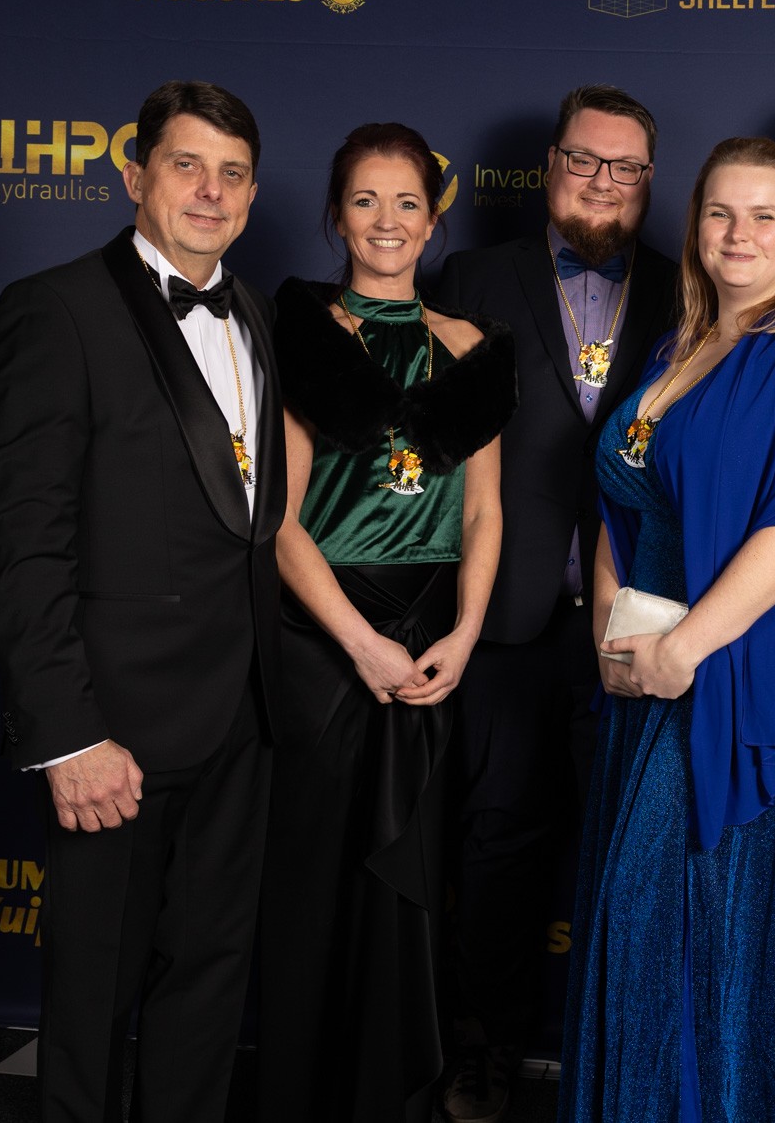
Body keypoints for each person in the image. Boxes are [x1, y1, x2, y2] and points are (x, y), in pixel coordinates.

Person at [0, 80, 281, 1122]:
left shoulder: (256, 312)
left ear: (253, 194)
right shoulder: (54, 310)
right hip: (115, 730)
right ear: (134, 176)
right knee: (93, 992)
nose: (210, 191)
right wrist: (67, 736)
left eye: (232, 173)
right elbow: (24, 544)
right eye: (187, 165)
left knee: (209, 982)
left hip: (244, 719)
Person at [559, 136, 775, 1122]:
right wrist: (614, 635)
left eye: (763, 216)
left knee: (692, 912)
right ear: (695, 228)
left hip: (743, 662)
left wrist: (683, 651)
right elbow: (621, 503)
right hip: (645, 662)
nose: (739, 233)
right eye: (719, 213)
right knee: (644, 921)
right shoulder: (675, 348)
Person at [256, 123, 516, 1121]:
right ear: (336, 216)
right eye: (365, 201)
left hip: (430, 637)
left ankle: (389, 1097)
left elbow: (484, 513)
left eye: (407, 202)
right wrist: (359, 643)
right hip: (325, 639)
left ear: (433, 220)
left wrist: (464, 632)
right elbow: (280, 522)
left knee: (411, 868)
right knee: (315, 872)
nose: (387, 221)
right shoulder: (305, 337)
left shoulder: (472, 350)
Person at [431, 84, 678, 1122]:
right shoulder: (472, 279)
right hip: (507, 619)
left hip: (644, 622)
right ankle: (482, 1049)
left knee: (639, 852)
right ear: (549, 167)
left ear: (649, 180)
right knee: (498, 845)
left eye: (624, 166)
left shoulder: (692, 285)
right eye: (584, 159)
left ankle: (626, 1066)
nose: (602, 182)